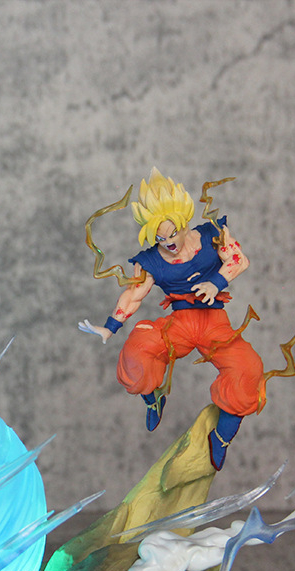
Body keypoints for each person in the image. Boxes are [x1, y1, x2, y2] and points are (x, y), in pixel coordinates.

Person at [79, 168, 264, 470]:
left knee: (248, 368)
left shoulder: (212, 234)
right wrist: (110, 327)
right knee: (137, 349)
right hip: (179, 325)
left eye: (172, 233)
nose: (168, 242)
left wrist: (216, 282)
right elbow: (134, 295)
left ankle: (221, 437)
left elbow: (238, 260)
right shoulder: (151, 260)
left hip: (214, 323)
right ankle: (154, 399)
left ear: (184, 222)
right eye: (159, 237)